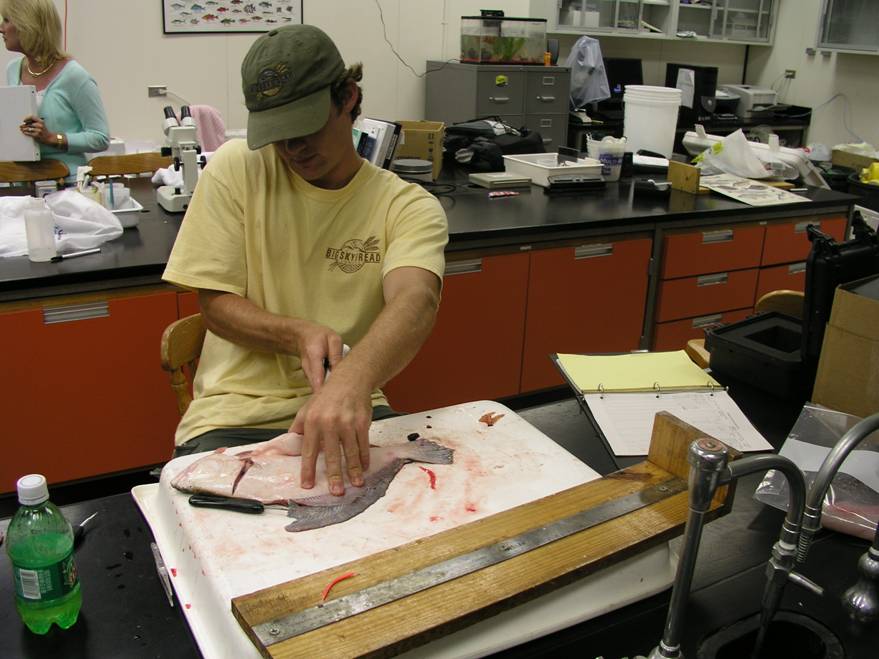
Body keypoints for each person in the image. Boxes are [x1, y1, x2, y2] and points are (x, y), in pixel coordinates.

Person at [162, 25, 448, 497]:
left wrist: (352, 379)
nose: (293, 147)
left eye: (306, 126)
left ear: (347, 99)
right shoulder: (237, 169)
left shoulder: (405, 206)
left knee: (412, 521)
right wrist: (298, 333)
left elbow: (415, 300)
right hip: (233, 417)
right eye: (279, 134)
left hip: (351, 407)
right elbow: (214, 304)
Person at [1, 0, 109, 178]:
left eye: (7, 20)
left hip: (67, 183)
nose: (1, 28)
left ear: (27, 25)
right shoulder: (13, 69)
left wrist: (52, 138)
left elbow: (100, 138)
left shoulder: (75, 76)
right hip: (24, 180)